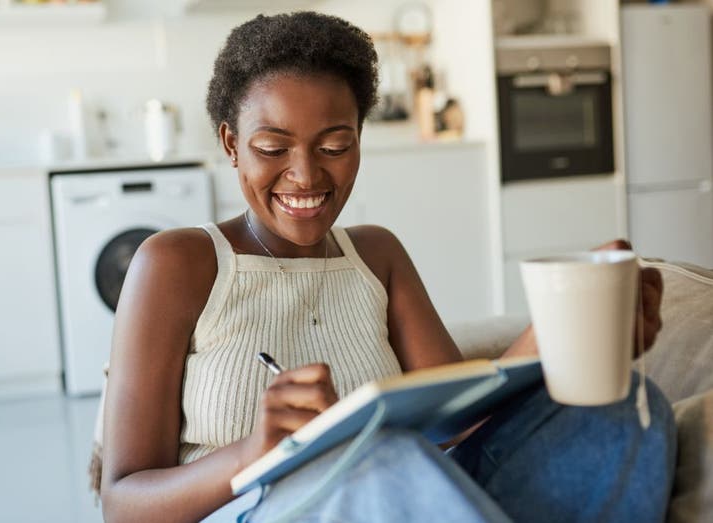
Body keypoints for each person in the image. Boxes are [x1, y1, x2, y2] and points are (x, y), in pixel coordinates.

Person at [99, 11, 675, 523]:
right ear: (231, 143)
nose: (305, 176)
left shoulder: (378, 254)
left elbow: (461, 420)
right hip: (265, 508)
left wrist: (572, 330)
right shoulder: (177, 263)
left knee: (625, 410)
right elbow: (123, 503)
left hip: (403, 493)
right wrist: (257, 449)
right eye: (273, 148)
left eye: (334, 145)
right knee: (380, 455)